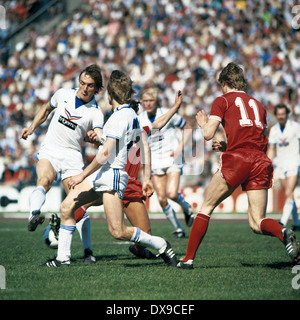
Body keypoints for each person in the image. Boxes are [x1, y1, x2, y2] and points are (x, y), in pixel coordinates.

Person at [42, 70, 177, 267]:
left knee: (118, 231)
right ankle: (63, 259)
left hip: (112, 175)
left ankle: (161, 244)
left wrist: (82, 175)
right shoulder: (129, 114)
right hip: (105, 173)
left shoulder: (118, 118)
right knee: (67, 207)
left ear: (110, 94)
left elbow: (106, 154)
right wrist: (100, 139)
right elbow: (119, 145)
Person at [177, 62, 300, 269]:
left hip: (239, 159)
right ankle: (283, 232)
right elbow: (255, 138)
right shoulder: (258, 105)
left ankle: (187, 259)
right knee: (256, 222)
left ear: (224, 83)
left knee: (206, 207)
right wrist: (227, 144)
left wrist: (202, 122)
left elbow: (208, 134)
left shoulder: (223, 100)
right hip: (260, 160)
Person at [20, 64, 104, 263]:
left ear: (96, 88)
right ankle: (34, 215)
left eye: (90, 85)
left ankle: (88, 252)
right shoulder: (62, 94)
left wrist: (96, 136)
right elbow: (46, 109)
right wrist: (32, 127)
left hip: (72, 157)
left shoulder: (95, 112)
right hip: (50, 150)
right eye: (82, 83)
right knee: (45, 179)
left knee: (77, 205)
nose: (84, 88)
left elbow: (99, 134)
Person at [138, 87, 194, 238]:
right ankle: (178, 229)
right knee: (162, 198)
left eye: (151, 100)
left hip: (171, 157)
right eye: (145, 101)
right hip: (155, 161)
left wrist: (179, 149)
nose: (148, 103)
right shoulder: (140, 118)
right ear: (141, 102)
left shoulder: (167, 113)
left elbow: (188, 127)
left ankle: (187, 208)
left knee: (171, 193)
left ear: (156, 102)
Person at [267, 104, 300, 231]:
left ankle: (282, 222)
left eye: (283, 114)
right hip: (281, 165)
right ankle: (297, 223)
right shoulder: (274, 130)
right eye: (279, 114)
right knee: (288, 194)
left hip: (294, 162)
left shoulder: (296, 127)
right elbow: (271, 148)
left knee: (288, 192)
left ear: (287, 114)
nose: (281, 116)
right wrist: (268, 163)